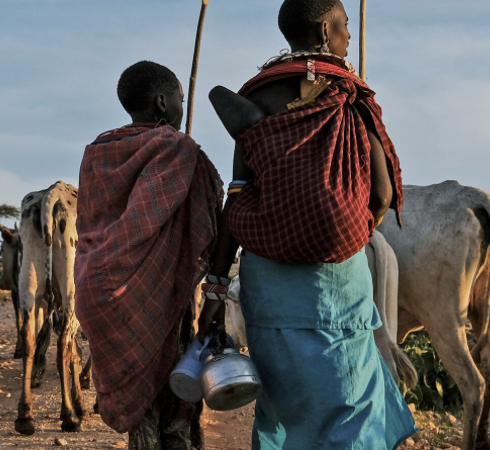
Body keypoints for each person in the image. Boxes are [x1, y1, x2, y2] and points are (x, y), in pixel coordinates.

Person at [198, 0, 417, 448]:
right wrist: (345, 233)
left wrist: (216, 290)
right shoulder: (348, 98)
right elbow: (383, 194)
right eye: (344, 26)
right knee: (350, 401)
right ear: (324, 30)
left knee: (285, 408)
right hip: (336, 283)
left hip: (270, 287)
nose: (349, 37)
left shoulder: (254, 99)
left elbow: (236, 197)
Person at [75, 60, 224, 450]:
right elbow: (207, 219)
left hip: (96, 287)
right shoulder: (176, 148)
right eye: (179, 96)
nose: (181, 104)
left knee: (138, 407)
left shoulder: (97, 151)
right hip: (150, 292)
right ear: (162, 102)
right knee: (169, 390)